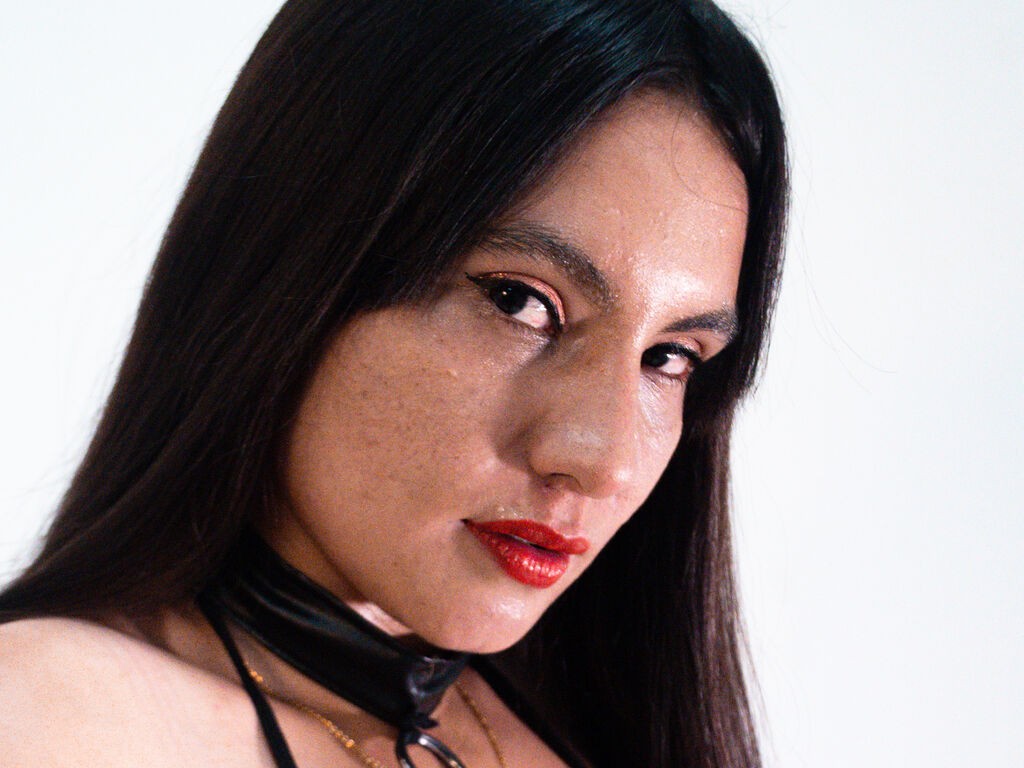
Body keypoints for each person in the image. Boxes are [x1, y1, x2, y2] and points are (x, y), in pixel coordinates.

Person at [0, 1, 787, 766]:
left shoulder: (601, 729)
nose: (604, 461)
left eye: (669, 356)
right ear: (294, 265)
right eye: (519, 302)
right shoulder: (49, 718)